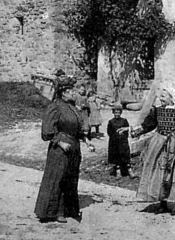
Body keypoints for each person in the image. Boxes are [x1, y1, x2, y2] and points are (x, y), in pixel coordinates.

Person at [34, 74, 96, 223]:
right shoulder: (55, 107)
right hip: (60, 149)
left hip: (74, 147)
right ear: (63, 93)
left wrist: (86, 141)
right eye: (70, 91)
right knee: (58, 179)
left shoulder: (73, 107)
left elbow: (77, 129)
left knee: (70, 179)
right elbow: (47, 131)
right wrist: (60, 143)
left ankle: (69, 210)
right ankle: (55, 212)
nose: (73, 93)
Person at [131, 86, 175, 215]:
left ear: (172, 98)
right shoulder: (156, 111)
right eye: (160, 97)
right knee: (159, 173)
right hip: (160, 144)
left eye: (164, 96)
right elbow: (147, 126)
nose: (161, 99)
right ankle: (162, 202)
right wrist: (131, 131)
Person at [106, 104, 135, 178]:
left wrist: (123, 136)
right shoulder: (111, 122)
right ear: (113, 112)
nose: (117, 114)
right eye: (115, 112)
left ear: (121, 112)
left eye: (118, 112)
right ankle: (118, 172)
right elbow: (109, 132)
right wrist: (114, 138)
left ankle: (130, 171)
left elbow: (127, 130)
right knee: (116, 156)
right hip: (114, 142)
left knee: (125, 155)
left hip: (123, 142)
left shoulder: (124, 121)